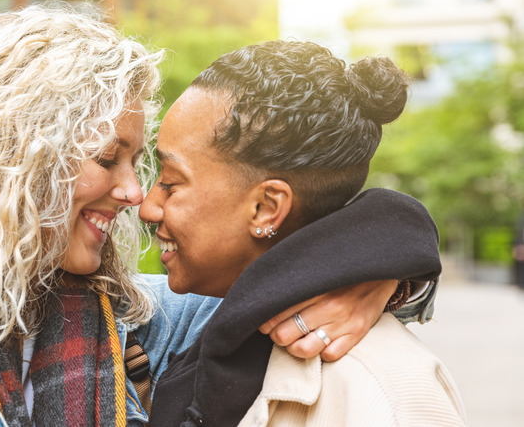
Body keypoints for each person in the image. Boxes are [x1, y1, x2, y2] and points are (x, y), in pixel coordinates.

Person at [0, 7, 435, 426]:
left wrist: (382, 266)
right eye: (109, 159)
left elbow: (292, 248)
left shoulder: (155, 323)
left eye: (142, 164)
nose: (132, 194)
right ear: (10, 161)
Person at [140, 41, 466, 426]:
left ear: (266, 208)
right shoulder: (209, 325)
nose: (146, 207)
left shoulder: (384, 394)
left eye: (172, 183)